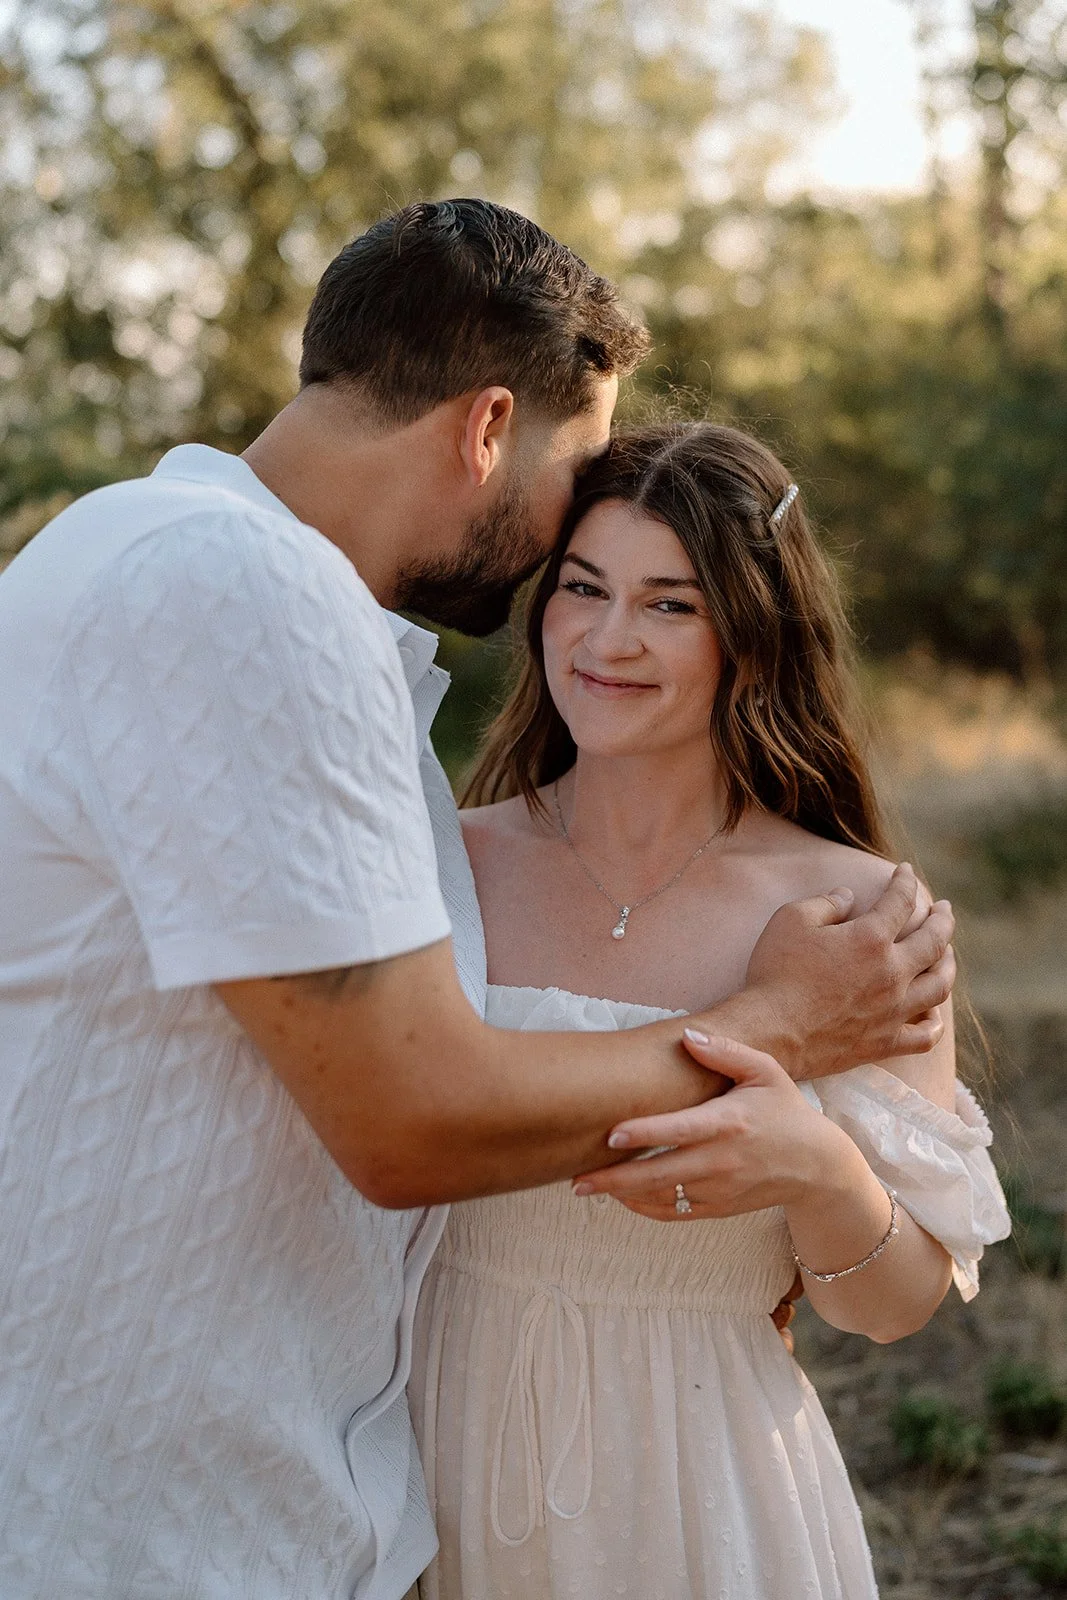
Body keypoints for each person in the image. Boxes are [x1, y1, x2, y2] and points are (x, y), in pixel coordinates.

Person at [0, 201, 956, 1600]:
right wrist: (774, 1022)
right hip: (140, 1512)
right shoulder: (242, 587)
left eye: (671, 602)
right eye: (570, 504)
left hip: (272, 1493)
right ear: (485, 426)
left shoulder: (165, 559)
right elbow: (410, 1118)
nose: (564, 579)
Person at [408, 422, 1010, 1599]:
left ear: (753, 632)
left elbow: (892, 1307)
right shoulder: (439, 861)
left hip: (696, 1490)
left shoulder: (852, 914)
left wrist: (817, 1170)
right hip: (417, 1455)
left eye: (669, 606)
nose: (607, 638)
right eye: (582, 588)